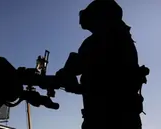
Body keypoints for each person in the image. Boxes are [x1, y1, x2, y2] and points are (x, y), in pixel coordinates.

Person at [56, 0, 149, 129]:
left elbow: (75, 67)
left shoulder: (101, 39)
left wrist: (64, 76)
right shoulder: (123, 38)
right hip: (128, 117)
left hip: (103, 118)